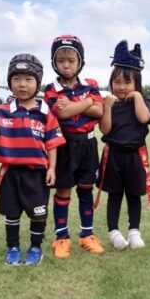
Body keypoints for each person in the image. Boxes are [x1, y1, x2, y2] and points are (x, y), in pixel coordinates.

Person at [0, 54, 65, 265]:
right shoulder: (3, 110)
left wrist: (52, 168)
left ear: (37, 82)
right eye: (16, 79)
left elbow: (52, 143)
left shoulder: (45, 112)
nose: (22, 84)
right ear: (10, 83)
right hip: (10, 172)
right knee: (12, 213)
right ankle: (13, 248)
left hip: (37, 173)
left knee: (38, 213)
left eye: (28, 79)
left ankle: (35, 248)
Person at [43, 35, 105, 258]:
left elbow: (99, 111)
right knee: (63, 189)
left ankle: (87, 235)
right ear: (54, 63)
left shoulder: (91, 84)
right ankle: (61, 237)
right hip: (64, 145)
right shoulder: (51, 89)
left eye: (71, 60)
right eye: (61, 61)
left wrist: (76, 104)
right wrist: (87, 102)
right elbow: (62, 113)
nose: (66, 65)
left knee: (86, 188)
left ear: (80, 62)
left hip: (88, 144)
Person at [97, 40, 150, 250]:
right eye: (117, 82)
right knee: (114, 195)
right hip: (113, 156)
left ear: (137, 84)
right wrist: (107, 107)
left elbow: (144, 118)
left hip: (135, 156)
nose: (121, 87)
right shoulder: (110, 104)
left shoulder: (144, 101)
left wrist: (137, 96)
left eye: (127, 82)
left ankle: (134, 232)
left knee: (133, 195)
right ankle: (113, 232)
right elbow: (105, 130)